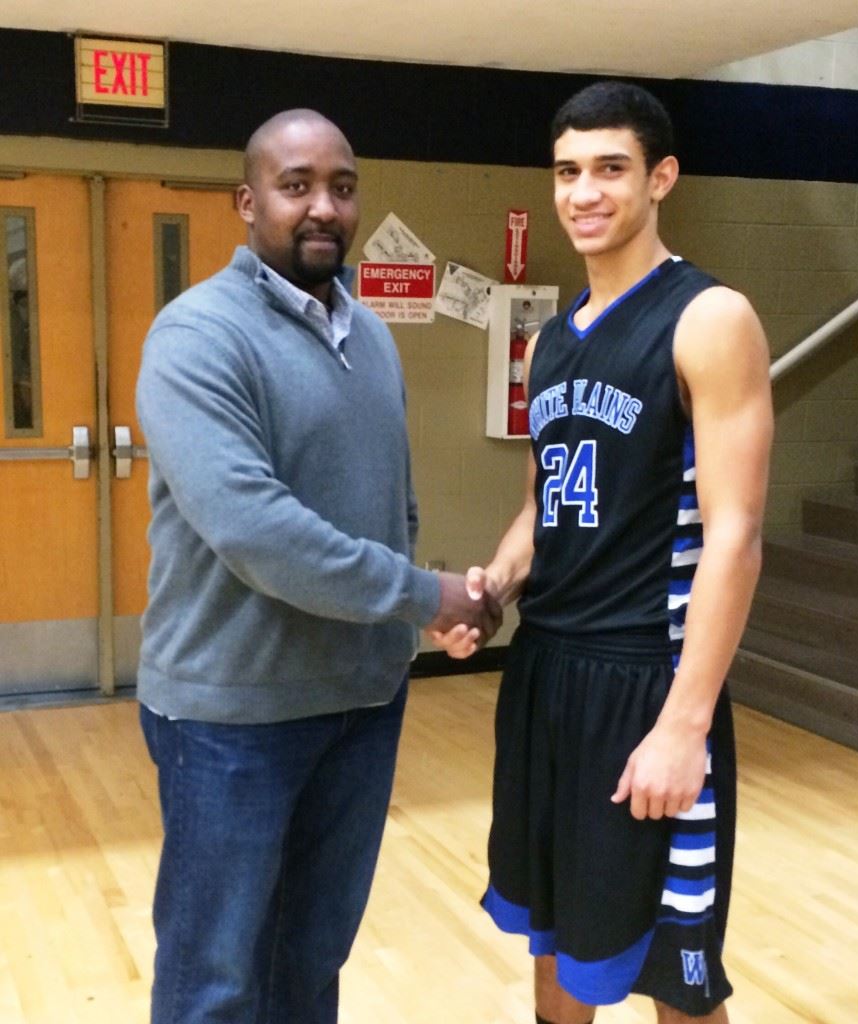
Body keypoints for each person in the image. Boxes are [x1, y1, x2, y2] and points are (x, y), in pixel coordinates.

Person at [135, 108, 501, 1024]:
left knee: (312, 961)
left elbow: (393, 498)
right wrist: (424, 597)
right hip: (232, 717)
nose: (323, 207)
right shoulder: (196, 338)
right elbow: (256, 530)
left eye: (341, 186)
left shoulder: (370, 335)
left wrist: (425, 612)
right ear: (247, 200)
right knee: (214, 978)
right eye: (296, 186)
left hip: (361, 707)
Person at [433, 81, 773, 1023]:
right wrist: (492, 588)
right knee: (553, 940)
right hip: (545, 671)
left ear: (661, 178)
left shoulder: (709, 319)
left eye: (610, 169)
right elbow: (549, 495)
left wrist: (684, 724)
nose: (584, 192)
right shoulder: (549, 344)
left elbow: (736, 536)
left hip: (647, 680)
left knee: (675, 972)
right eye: (567, 172)